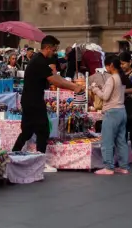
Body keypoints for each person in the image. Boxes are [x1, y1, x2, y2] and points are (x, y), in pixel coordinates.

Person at [12, 35, 82, 172]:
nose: (55, 53)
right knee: (43, 130)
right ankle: (41, 161)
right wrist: (74, 87)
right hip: (34, 101)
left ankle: (14, 154)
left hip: (30, 100)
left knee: (27, 131)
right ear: (48, 48)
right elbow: (55, 80)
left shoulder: (39, 60)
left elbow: (55, 77)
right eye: (54, 50)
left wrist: (71, 83)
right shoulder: (39, 61)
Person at [90, 54, 130, 175]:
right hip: (122, 110)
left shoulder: (112, 79)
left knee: (107, 140)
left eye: (106, 65)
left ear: (111, 65)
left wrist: (95, 89)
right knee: (121, 141)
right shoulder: (121, 78)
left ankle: (108, 167)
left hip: (112, 112)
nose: (106, 68)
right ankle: (124, 166)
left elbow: (105, 96)